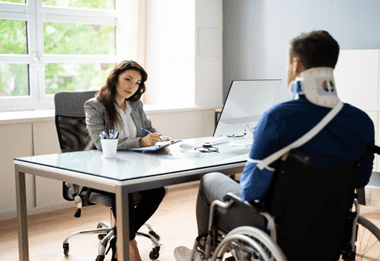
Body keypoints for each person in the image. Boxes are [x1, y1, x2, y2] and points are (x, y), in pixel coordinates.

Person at [174, 30, 375, 261]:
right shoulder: (362, 122)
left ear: (297, 65)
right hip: (332, 222)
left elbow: (251, 192)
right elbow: (360, 180)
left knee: (211, 179)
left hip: (278, 226)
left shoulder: (279, 118)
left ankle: (202, 252)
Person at [84, 60, 170, 261]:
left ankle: (119, 240)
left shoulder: (135, 104)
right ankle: (129, 244)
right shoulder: (94, 105)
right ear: (115, 79)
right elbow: (99, 141)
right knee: (123, 193)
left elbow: (147, 127)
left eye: (138, 82)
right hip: (104, 169)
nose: (132, 86)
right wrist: (140, 141)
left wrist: (159, 137)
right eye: (128, 79)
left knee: (158, 189)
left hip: (135, 166)